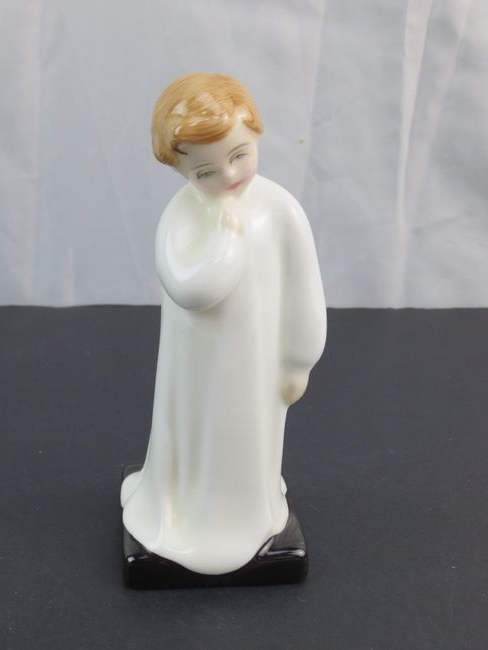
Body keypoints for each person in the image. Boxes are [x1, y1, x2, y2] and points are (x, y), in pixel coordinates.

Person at [120, 73, 327, 576]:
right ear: (181, 169)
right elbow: (191, 290)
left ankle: (248, 512)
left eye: (239, 155)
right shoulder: (182, 215)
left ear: (256, 133)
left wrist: (300, 358)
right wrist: (226, 239)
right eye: (205, 171)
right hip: (197, 367)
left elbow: (304, 286)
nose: (229, 175)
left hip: (257, 364)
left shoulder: (279, 209)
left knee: (249, 436)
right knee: (196, 436)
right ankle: (187, 512)